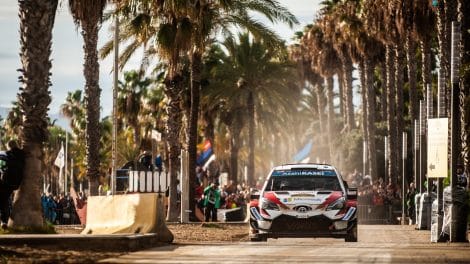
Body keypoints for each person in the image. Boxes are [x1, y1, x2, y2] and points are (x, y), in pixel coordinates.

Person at [0, 140, 25, 229]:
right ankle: (4, 221)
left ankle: (4, 221)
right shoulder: (23, 154)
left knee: (3, 201)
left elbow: (3, 165)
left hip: (6, 181)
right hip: (16, 183)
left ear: (9, 146)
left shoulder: (8, 154)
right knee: (4, 199)